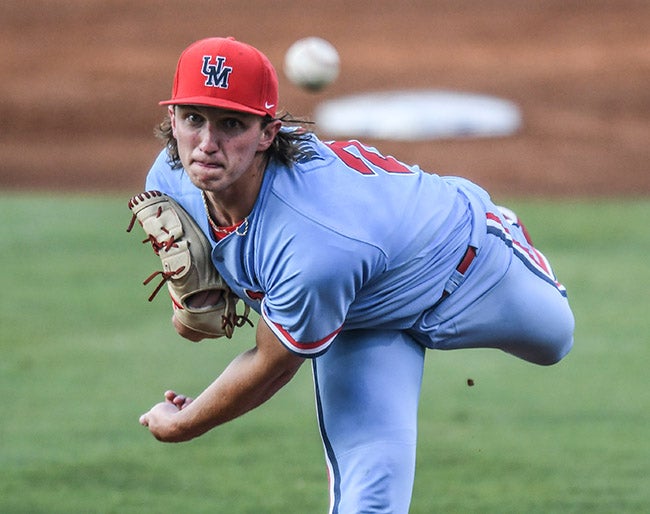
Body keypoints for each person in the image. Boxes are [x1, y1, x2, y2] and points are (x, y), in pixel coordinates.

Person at [138, 36, 574, 513]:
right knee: (371, 497)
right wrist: (199, 301)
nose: (205, 144)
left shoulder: (314, 243)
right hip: (358, 318)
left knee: (556, 339)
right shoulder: (170, 178)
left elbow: (270, 368)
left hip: (465, 266)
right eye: (193, 119)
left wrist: (185, 422)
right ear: (173, 120)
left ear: (267, 133)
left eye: (231, 124)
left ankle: (499, 224)